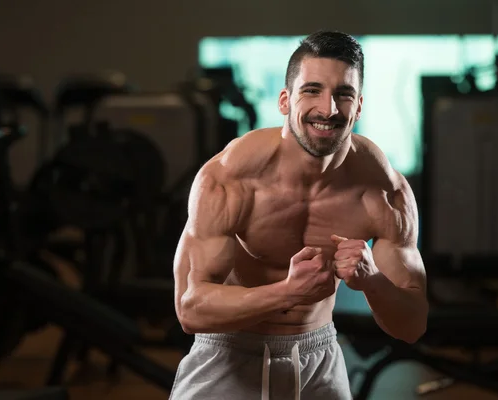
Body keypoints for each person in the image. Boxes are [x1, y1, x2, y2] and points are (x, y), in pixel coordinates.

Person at [170, 30, 428, 400]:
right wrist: (288, 293)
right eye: (312, 90)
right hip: (228, 358)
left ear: (359, 106)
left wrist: (373, 281)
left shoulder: (384, 191)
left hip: (318, 362)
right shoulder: (230, 177)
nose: (328, 109)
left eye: (344, 94)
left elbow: (413, 324)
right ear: (285, 101)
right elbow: (190, 310)